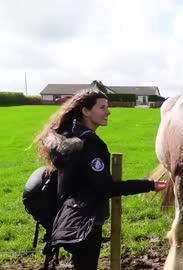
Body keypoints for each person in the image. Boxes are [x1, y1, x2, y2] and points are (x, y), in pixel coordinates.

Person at [34, 83, 167, 269]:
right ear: (86, 111)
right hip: (85, 222)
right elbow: (107, 188)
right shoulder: (87, 146)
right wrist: (149, 185)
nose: (108, 112)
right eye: (102, 107)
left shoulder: (67, 138)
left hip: (67, 218)